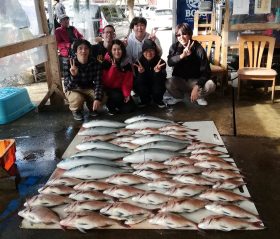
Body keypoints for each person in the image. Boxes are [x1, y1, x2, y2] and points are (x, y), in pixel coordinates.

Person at [166, 23, 216, 106]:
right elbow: (170, 62)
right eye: (178, 35)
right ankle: (178, 97)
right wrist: (182, 56)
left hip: (195, 80)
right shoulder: (174, 47)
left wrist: (197, 86)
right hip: (180, 80)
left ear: (190, 34)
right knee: (168, 83)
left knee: (211, 85)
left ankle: (199, 96)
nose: (181, 37)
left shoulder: (198, 48)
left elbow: (206, 71)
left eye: (184, 34)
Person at [63, 39, 103, 121]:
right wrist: (74, 76)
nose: (83, 51)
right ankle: (76, 110)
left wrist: (97, 99)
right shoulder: (68, 63)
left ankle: (92, 107)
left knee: (103, 97)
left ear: (89, 51)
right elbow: (67, 87)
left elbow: (98, 83)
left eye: (86, 48)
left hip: (88, 87)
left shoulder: (95, 63)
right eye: (80, 48)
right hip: (74, 89)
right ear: (75, 51)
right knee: (78, 99)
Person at [102, 39, 136, 115]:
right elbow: (107, 82)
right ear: (110, 50)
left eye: (119, 49)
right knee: (117, 96)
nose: (117, 52)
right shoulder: (106, 62)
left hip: (120, 89)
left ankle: (118, 105)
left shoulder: (126, 63)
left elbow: (127, 82)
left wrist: (127, 94)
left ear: (122, 50)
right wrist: (113, 68)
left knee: (130, 109)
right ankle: (110, 106)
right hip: (109, 89)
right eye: (114, 49)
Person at [134, 39, 167, 108]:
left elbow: (163, 80)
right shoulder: (138, 63)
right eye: (146, 51)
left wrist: (157, 73)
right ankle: (144, 100)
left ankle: (158, 100)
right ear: (143, 52)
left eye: (151, 50)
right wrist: (141, 73)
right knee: (138, 84)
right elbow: (138, 81)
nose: (149, 53)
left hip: (155, 85)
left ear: (155, 51)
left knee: (160, 84)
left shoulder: (161, 62)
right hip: (145, 86)